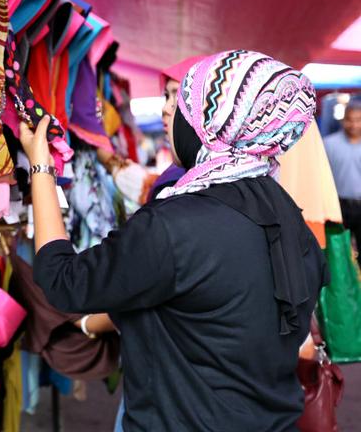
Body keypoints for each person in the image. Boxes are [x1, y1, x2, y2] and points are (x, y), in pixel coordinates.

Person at [21, 50, 326, 431]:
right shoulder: (290, 219)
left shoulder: (173, 227)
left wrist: (40, 166)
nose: (170, 114)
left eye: (180, 103)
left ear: (207, 124)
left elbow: (62, 280)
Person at [323, 97, 361, 264]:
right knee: (338, 252)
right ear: (343, 120)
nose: (353, 125)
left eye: (358, 120)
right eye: (349, 120)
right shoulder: (329, 144)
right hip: (338, 207)